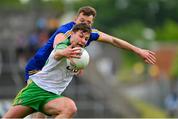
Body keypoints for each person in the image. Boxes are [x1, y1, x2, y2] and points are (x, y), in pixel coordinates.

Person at [24, 5, 156, 118]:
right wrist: (72, 59)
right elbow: (58, 47)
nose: (85, 24)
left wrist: (138, 50)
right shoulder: (66, 31)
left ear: (91, 24)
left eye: (88, 22)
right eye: (82, 20)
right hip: (37, 68)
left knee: (45, 110)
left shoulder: (90, 33)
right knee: (40, 109)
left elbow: (114, 40)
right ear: (75, 19)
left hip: (52, 76)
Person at [3, 23, 92, 118]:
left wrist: (79, 68)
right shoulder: (63, 45)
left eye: (86, 39)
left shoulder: (81, 56)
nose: (83, 41)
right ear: (72, 33)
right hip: (35, 91)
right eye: (81, 36)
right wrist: (64, 53)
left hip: (51, 97)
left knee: (70, 108)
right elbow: (57, 53)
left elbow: (75, 66)